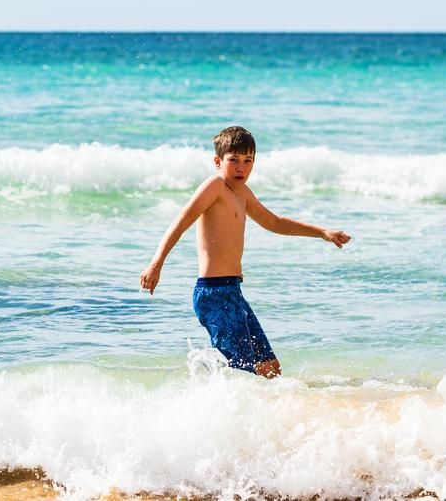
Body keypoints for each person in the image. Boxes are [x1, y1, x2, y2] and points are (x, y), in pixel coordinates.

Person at [139, 126, 351, 378]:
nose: (241, 167)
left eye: (247, 161)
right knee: (242, 373)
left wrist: (322, 232)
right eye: (234, 160)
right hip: (214, 293)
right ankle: (205, 394)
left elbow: (274, 222)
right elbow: (180, 223)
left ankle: (220, 382)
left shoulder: (243, 193)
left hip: (233, 292)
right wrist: (156, 263)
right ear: (218, 161)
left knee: (270, 369)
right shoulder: (214, 186)